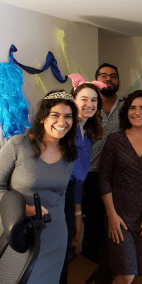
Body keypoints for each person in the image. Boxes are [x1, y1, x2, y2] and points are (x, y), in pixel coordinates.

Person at [0, 90, 78, 283]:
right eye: (55, 115)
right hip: (19, 232)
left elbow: (61, 195)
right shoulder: (19, 145)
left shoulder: (70, 155)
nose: (62, 122)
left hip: (56, 235)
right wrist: (23, 209)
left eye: (68, 116)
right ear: (43, 117)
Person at [100, 90, 142, 284]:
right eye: (133, 107)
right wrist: (111, 215)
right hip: (119, 214)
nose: (138, 112)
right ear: (126, 112)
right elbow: (104, 180)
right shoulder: (114, 140)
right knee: (127, 273)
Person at [60, 74, 106, 284]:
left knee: (69, 248)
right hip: (55, 197)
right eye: (84, 99)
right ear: (73, 100)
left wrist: (77, 215)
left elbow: (78, 180)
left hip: (71, 197)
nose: (90, 104)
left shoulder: (87, 134)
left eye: (94, 99)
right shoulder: (63, 129)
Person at [81, 63, 124, 281]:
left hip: (121, 179)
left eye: (113, 76)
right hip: (91, 177)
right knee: (93, 230)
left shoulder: (127, 108)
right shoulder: (87, 107)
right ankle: (90, 276)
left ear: (118, 81)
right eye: (103, 75)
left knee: (121, 229)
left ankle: (121, 273)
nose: (108, 79)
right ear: (95, 79)